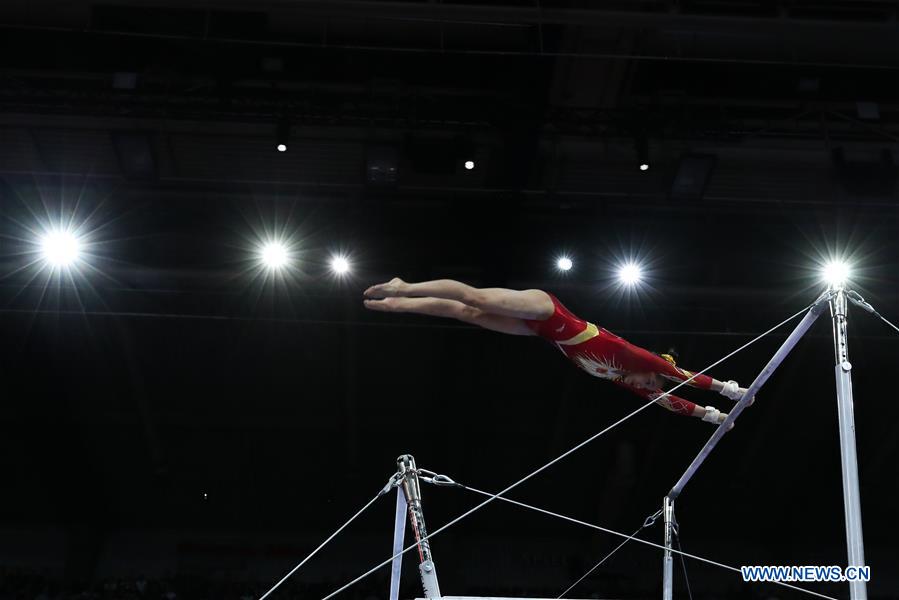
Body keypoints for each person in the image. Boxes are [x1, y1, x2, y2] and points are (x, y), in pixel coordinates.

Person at [364, 278, 752, 425]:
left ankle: (400, 305)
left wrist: (710, 418)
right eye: (651, 383)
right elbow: (685, 380)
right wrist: (729, 391)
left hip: (541, 333)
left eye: (647, 387)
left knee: (468, 314)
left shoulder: (629, 382)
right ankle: (405, 286)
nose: (645, 385)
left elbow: (670, 402)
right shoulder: (641, 360)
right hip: (548, 311)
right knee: (476, 297)